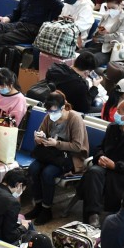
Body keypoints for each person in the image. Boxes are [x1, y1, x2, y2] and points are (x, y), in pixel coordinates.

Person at [26, 92, 89, 225]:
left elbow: (78, 146)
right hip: (51, 154)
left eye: (53, 111)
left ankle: (46, 209)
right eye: (48, 111)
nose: (50, 114)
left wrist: (57, 144)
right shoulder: (49, 117)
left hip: (69, 156)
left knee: (48, 173)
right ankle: (38, 205)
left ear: (63, 107)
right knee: (33, 169)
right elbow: (40, 133)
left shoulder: (74, 118)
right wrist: (38, 138)